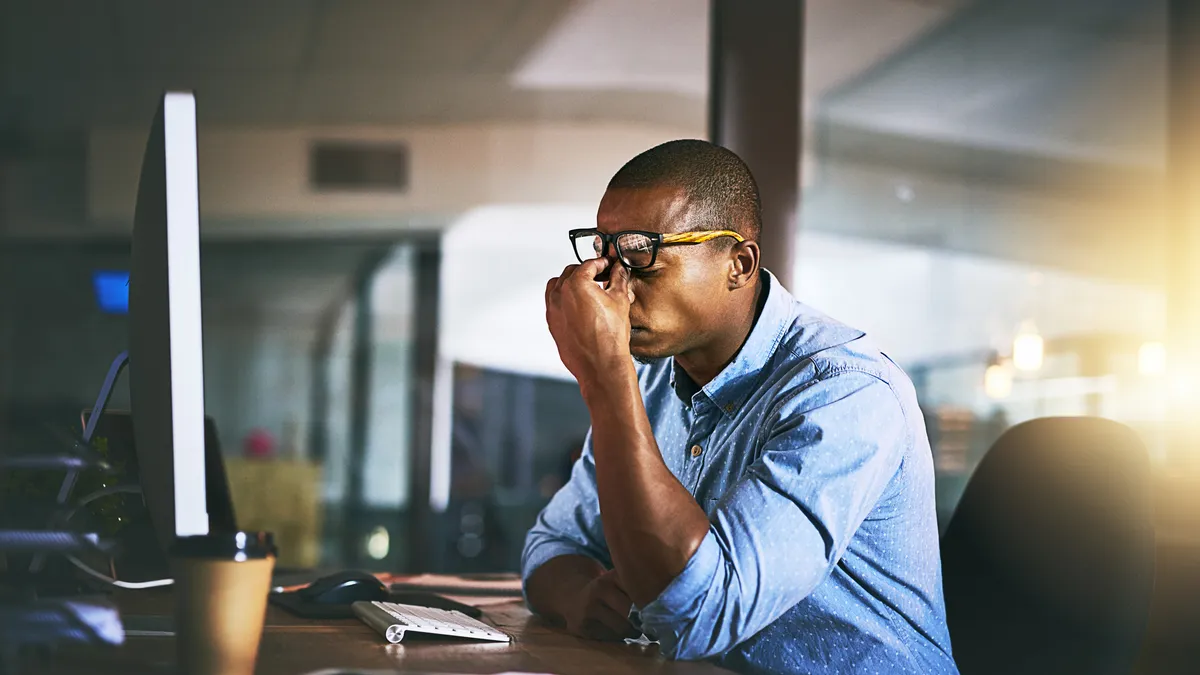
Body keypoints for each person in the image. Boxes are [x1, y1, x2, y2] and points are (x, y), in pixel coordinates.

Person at [522, 139, 958, 674]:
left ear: (739, 263)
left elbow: (699, 613)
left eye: (643, 261)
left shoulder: (846, 392)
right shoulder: (654, 379)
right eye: (607, 261)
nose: (617, 293)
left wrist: (604, 376)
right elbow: (552, 544)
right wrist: (582, 597)